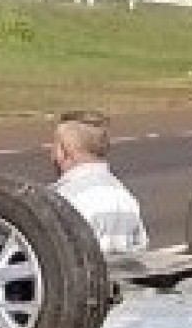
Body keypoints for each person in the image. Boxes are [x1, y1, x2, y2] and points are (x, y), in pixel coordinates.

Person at [48, 109, 148, 255]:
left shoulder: (61, 201)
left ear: (65, 150)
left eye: (54, 145)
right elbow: (140, 250)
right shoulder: (127, 199)